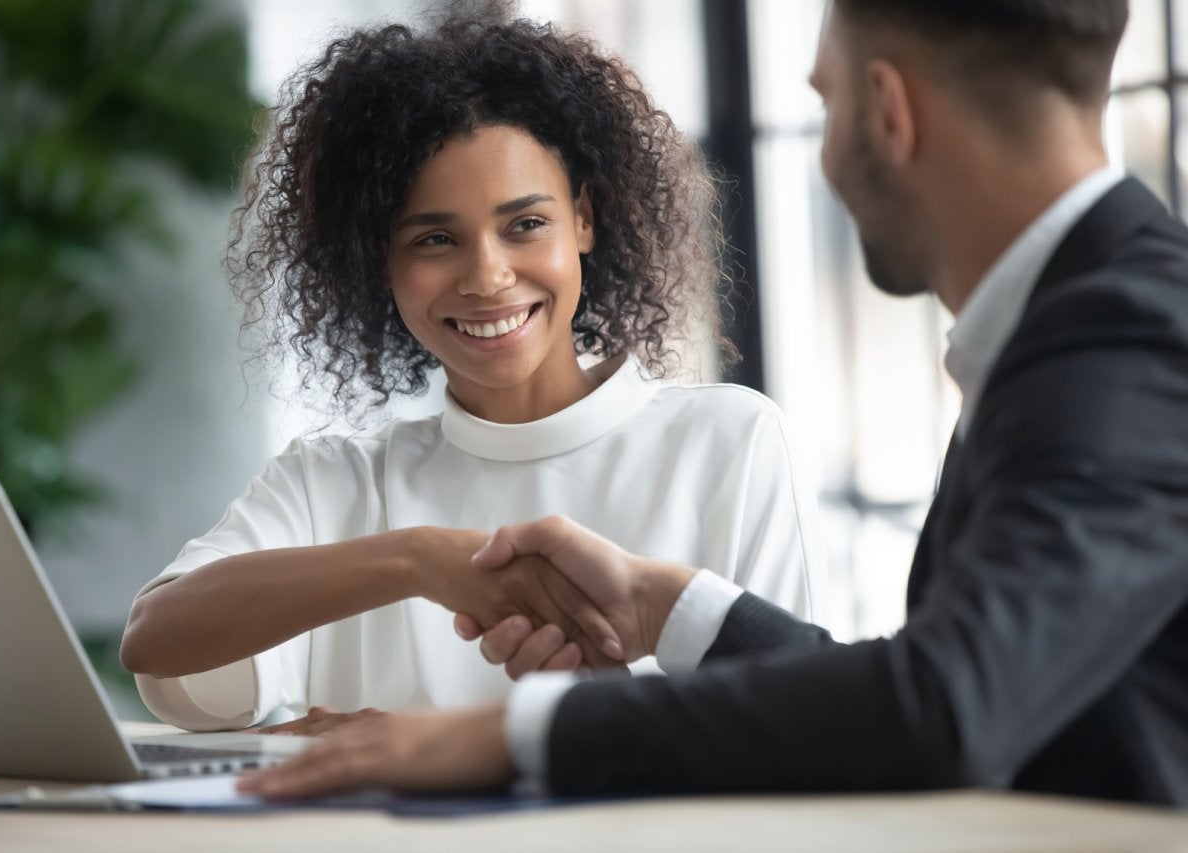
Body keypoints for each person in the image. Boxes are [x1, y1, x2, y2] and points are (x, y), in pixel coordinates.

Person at [237, 0, 1188, 808]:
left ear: (888, 111)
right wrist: (670, 606)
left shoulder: (1122, 332)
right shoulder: (1089, 315)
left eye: (825, 101)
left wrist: (520, 732)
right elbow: (961, 679)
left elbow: (946, 706)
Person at [119, 10, 827, 734]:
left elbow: (794, 724)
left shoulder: (728, 444)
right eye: (435, 239)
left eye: (525, 225)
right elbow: (158, 646)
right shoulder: (335, 482)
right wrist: (419, 559)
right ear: (378, 261)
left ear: (583, 218)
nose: (488, 277)